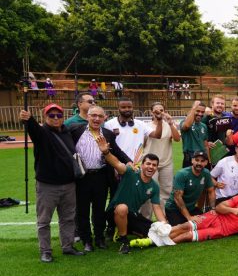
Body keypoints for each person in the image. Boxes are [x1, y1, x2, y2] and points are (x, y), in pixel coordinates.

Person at [20, 104, 84, 262]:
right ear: (45, 117)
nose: (56, 118)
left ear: (63, 117)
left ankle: (68, 246)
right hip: (47, 186)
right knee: (44, 221)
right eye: (51, 115)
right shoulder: (42, 133)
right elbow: (33, 129)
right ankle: (45, 251)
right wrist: (28, 120)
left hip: (69, 184)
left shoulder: (67, 132)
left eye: (59, 115)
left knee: (68, 218)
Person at [132, 180, 238, 246]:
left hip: (222, 230)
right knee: (183, 227)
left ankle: (152, 242)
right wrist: (233, 210)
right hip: (214, 217)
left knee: (186, 236)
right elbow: (219, 208)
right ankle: (151, 240)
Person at [69, 105, 130, 252]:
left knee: (99, 210)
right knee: (82, 210)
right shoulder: (75, 130)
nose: (96, 119)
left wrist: (129, 162)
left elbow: (117, 151)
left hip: (101, 177)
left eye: (100, 116)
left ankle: (99, 238)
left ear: (104, 118)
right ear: (87, 116)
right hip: (82, 177)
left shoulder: (108, 134)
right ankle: (86, 240)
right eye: (93, 115)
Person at [96, 136, 167, 254]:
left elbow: (157, 207)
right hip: (114, 211)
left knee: (153, 231)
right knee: (122, 208)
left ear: (156, 168)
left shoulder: (154, 186)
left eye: (154, 165)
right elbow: (117, 164)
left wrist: (164, 224)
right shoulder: (131, 173)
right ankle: (124, 240)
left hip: (132, 215)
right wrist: (106, 152)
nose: (151, 167)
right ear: (142, 165)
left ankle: (125, 230)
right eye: (148, 164)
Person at [164, 151, 216, 226]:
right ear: (192, 160)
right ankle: (168, 221)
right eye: (197, 160)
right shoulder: (182, 174)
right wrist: (189, 217)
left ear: (206, 163)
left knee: (205, 222)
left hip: (190, 208)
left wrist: (213, 208)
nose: (199, 163)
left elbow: (211, 191)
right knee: (184, 227)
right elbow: (177, 198)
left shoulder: (206, 173)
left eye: (202, 161)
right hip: (174, 208)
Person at [103, 97, 161, 163]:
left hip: (137, 164)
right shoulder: (109, 124)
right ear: (118, 108)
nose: (127, 109)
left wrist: (159, 120)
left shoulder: (141, 124)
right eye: (123, 107)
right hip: (118, 163)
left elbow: (157, 135)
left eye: (129, 107)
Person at [211, 140, 238, 204]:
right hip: (222, 198)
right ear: (236, 149)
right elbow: (210, 176)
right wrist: (216, 184)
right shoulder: (224, 161)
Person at [180, 101, 210, 168]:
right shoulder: (184, 122)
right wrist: (193, 108)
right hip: (189, 158)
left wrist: (209, 161)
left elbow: (206, 146)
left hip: (202, 158)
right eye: (198, 111)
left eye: (202, 112)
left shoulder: (204, 126)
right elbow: (187, 126)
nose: (200, 114)